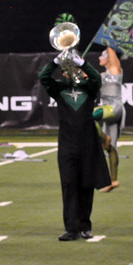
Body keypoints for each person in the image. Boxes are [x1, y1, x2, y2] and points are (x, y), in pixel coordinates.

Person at [39, 26, 111, 241]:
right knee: (69, 184)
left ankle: (85, 226)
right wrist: (56, 60)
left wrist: (82, 62)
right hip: (67, 142)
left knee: (86, 184)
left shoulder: (89, 87)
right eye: (67, 67)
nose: (70, 70)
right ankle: (71, 228)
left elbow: (97, 79)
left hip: (88, 141)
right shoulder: (59, 89)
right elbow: (43, 77)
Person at [94, 46, 125, 192]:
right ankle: (113, 180)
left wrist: (107, 37)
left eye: (102, 56)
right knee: (111, 147)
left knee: (87, 116)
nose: (99, 59)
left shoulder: (115, 70)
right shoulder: (102, 74)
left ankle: (103, 138)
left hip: (115, 108)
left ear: (108, 58)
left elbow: (111, 48)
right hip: (107, 110)